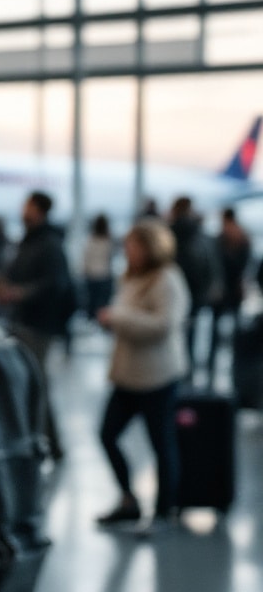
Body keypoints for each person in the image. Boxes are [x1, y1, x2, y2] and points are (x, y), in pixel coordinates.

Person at [95, 219, 189, 531]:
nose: (128, 252)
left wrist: (119, 318)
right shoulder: (132, 277)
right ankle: (128, 499)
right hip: (127, 375)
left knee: (161, 444)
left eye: (133, 246)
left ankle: (164, 512)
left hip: (157, 377)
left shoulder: (167, 280)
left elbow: (163, 325)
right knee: (107, 435)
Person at [0, 190, 72, 459]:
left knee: (36, 382)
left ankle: (49, 443)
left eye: (27, 206)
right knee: (30, 382)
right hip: (23, 320)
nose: (22, 210)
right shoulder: (30, 241)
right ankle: (41, 440)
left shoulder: (49, 244)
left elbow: (56, 285)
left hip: (39, 324)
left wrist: (20, 293)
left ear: (38, 210)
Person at [167, 196, 222, 385]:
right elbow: (208, 262)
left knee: (176, 335)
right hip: (195, 293)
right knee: (190, 335)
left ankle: (179, 374)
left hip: (176, 291)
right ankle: (186, 373)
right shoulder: (199, 233)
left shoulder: (170, 232)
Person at [208, 207, 251, 383]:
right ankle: (229, 366)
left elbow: (216, 264)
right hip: (231, 290)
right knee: (226, 330)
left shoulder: (225, 239)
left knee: (220, 331)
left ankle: (224, 366)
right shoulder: (241, 238)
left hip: (227, 290)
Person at [82, 213, 116, 323]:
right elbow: (111, 257)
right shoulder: (109, 240)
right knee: (104, 306)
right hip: (105, 276)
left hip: (92, 276)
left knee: (92, 306)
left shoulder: (90, 240)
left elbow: (86, 259)